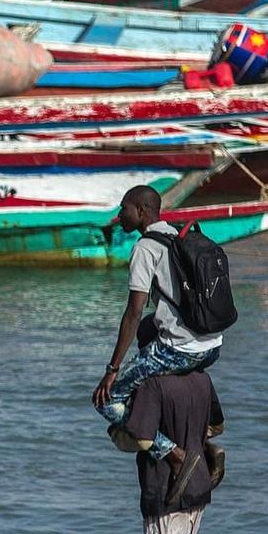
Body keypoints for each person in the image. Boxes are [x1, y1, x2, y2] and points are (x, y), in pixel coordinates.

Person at [93, 185, 222, 474]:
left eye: (123, 209)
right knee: (149, 327)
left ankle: (175, 454)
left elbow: (133, 312)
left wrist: (112, 369)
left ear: (141, 211)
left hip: (180, 351)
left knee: (106, 401)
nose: (118, 215)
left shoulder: (144, 248)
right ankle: (211, 429)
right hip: (212, 346)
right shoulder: (177, 234)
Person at [119, 368, 225, 534]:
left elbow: (142, 436)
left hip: (166, 486)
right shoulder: (202, 378)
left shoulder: (152, 384)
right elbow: (216, 426)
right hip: (198, 481)